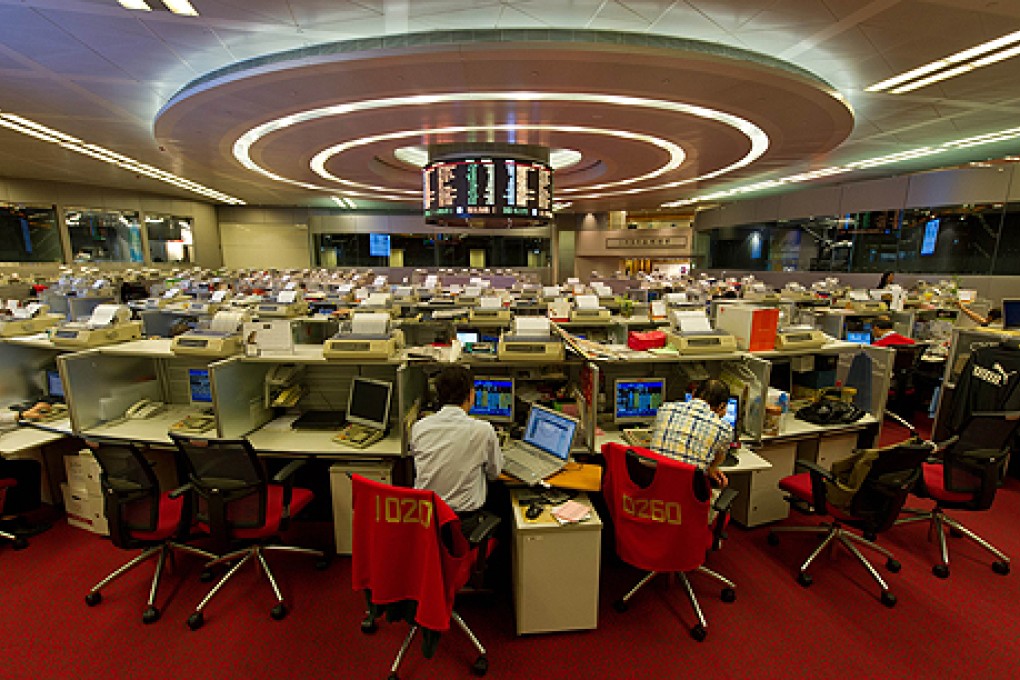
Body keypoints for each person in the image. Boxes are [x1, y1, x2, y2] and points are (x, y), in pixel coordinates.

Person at [410, 365, 503, 520]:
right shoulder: (483, 430)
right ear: (471, 395)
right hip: (463, 521)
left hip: (427, 519)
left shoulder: (419, 427)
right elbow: (494, 473)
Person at [648, 379, 732, 488]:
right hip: (688, 498)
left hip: (653, 494)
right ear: (722, 406)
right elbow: (716, 461)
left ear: (693, 394)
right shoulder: (723, 428)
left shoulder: (665, 409)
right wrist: (711, 469)